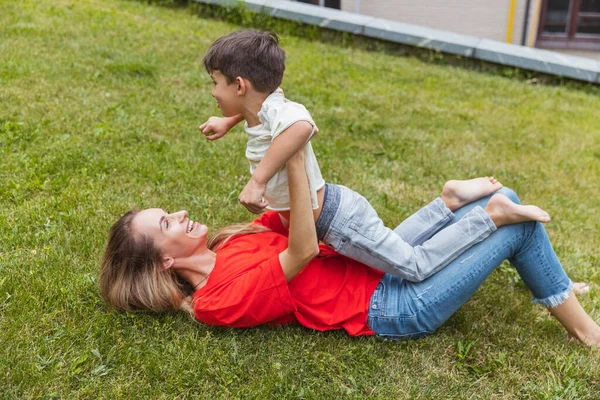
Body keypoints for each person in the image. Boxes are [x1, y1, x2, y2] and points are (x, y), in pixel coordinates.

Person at [100, 150, 600, 346]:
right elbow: (300, 253)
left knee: (504, 197)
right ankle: (587, 333)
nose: (181, 214)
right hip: (393, 306)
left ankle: (457, 208)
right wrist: (294, 164)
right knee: (516, 226)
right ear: (164, 259)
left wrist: (272, 147)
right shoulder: (215, 301)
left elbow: (305, 215)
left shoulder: (232, 239)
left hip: (376, 268)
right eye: (167, 221)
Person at [197, 30, 551, 282]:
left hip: (337, 222)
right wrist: (229, 121)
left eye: (216, 82)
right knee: (393, 249)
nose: (213, 90)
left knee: (414, 266)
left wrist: (258, 181)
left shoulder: (280, 111)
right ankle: (448, 201)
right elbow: (258, 114)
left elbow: (302, 125)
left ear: (240, 85)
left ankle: (491, 216)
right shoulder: (263, 105)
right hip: (338, 214)